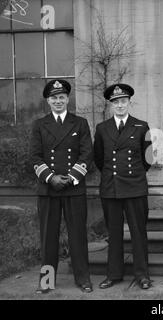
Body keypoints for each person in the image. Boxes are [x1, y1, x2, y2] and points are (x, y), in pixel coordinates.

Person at [29, 79, 93, 293]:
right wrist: (51, 178)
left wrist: (71, 177)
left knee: (78, 236)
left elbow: (86, 154)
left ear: (68, 99)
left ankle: (83, 278)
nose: (58, 101)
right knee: (48, 237)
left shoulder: (80, 123)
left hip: (74, 188)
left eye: (62, 97)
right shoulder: (39, 125)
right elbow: (35, 157)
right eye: (54, 98)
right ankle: (46, 281)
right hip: (48, 189)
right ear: (48, 101)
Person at [93, 84, 153, 290]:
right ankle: (114, 274)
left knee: (138, 233)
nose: (120, 105)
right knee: (114, 233)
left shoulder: (141, 126)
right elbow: (99, 159)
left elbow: (148, 158)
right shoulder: (102, 129)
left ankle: (142, 275)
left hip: (135, 186)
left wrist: (134, 175)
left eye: (123, 101)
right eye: (116, 102)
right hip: (111, 187)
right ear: (111, 105)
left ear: (129, 103)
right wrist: (113, 175)